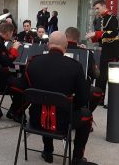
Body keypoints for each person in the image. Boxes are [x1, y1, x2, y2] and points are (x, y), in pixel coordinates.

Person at [24, 31, 93, 164]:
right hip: (63, 123)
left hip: (36, 120)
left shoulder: (33, 62)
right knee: (87, 115)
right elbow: (83, 99)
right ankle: (77, 158)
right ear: (66, 46)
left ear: (48, 45)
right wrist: (71, 105)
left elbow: (24, 89)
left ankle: (48, 151)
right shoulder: (75, 66)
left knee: (45, 101)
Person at [86, 0, 119, 102]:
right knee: (102, 75)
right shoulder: (100, 19)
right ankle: (99, 97)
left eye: (98, 8)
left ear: (104, 6)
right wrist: (92, 37)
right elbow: (101, 34)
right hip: (105, 49)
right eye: (95, 9)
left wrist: (95, 34)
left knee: (111, 76)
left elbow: (113, 33)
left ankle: (112, 99)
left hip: (113, 49)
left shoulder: (112, 18)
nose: (96, 11)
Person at [65, 27, 102, 113]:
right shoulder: (86, 53)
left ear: (65, 36)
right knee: (97, 92)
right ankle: (86, 112)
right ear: (78, 39)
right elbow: (95, 74)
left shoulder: (59, 50)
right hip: (79, 93)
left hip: (59, 89)